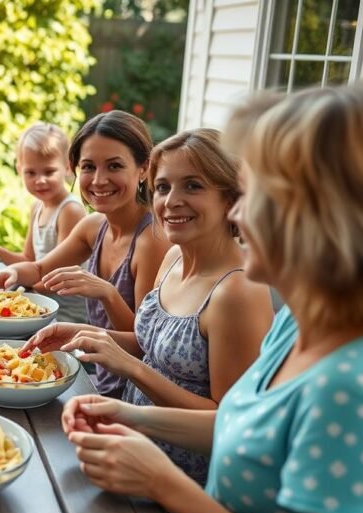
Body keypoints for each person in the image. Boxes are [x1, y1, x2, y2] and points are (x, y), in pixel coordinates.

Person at [62, 85, 363, 513]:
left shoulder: (345, 387)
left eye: (257, 194)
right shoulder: (296, 325)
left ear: (323, 212)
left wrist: (165, 485)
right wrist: (127, 413)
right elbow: (240, 425)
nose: (240, 214)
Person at [24, 129, 273, 484]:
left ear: (231, 199)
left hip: (175, 483)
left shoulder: (237, 291)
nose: (171, 201)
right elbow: (151, 347)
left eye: (193, 186)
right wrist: (85, 333)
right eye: (163, 187)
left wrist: (131, 368)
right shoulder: (173, 257)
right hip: (125, 450)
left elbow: (227, 420)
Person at [0, 111, 171, 397]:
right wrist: (11, 271)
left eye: (114, 166)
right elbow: (38, 270)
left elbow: (142, 342)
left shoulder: (152, 240)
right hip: (98, 376)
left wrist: (106, 293)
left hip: (135, 392)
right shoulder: (93, 226)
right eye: (88, 167)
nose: (99, 180)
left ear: (144, 169)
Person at [0, 123, 88, 323]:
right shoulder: (37, 207)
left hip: (65, 314)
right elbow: (29, 258)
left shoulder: (69, 211)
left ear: (67, 167)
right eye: (31, 173)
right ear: (19, 169)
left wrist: (19, 290)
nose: (40, 180)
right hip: (41, 302)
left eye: (49, 172)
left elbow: (62, 275)